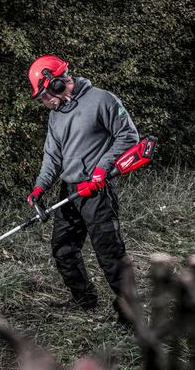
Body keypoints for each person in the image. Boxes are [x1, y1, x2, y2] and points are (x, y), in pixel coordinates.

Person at [26, 54, 139, 323]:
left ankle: (130, 313)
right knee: (63, 248)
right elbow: (52, 156)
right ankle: (84, 298)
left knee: (109, 253)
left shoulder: (102, 100)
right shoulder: (56, 115)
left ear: (56, 83)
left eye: (44, 95)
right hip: (70, 191)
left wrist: (102, 168)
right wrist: (40, 188)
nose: (44, 101)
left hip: (97, 191)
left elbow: (128, 135)